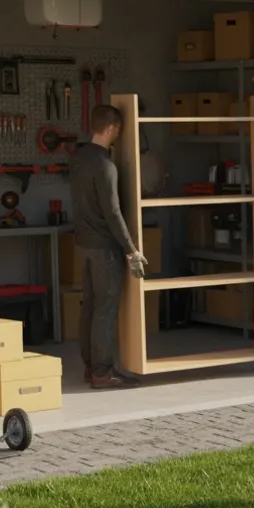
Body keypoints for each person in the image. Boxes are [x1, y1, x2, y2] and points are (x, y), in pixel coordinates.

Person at [67, 104, 147, 389]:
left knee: (90, 306)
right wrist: (131, 249)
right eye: (118, 130)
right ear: (112, 128)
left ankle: (91, 366)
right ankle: (102, 372)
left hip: (84, 244)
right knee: (105, 309)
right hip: (104, 247)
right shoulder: (105, 166)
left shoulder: (78, 158)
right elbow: (113, 212)